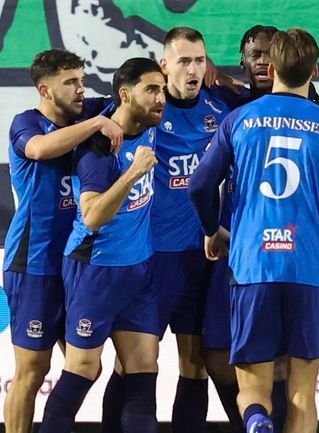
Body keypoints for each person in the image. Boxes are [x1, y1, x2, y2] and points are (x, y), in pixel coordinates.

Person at [189, 28, 319, 433]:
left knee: (253, 390)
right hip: (310, 269)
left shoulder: (239, 120)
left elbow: (199, 186)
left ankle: (255, 421)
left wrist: (212, 230)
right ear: (315, 71)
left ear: (270, 68)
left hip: (253, 267)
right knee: (302, 395)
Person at [97, 26, 248, 433]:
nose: (193, 69)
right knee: (133, 364)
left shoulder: (223, 107)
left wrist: (230, 80)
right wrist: (100, 123)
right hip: (151, 258)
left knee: (195, 365)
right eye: (183, 61)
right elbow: (104, 108)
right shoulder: (147, 109)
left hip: (202, 256)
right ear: (164, 67)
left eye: (199, 60)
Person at [37, 57, 165, 433]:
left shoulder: (146, 120)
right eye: (152, 91)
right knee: (83, 369)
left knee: (144, 371)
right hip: (95, 269)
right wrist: (133, 173)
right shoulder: (98, 149)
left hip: (138, 270)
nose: (161, 99)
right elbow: (92, 216)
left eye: (162, 90)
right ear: (126, 95)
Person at [2, 49, 120, 433]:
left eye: (82, 80)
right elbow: (39, 150)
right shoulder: (26, 123)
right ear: (45, 90)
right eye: (70, 83)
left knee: (88, 364)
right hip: (34, 264)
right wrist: (98, 124)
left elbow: (133, 91)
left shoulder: (88, 113)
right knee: (32, 372)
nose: (81, 90)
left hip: (79, 266)